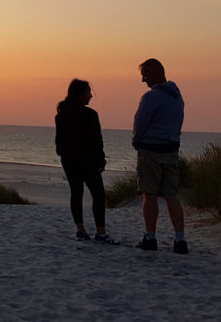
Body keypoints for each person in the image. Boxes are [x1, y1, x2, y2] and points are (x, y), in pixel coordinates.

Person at [132, 58, 188, 254]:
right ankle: (180, 239)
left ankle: (150, 237)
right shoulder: (177, 95)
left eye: (145, 76)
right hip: (171, 149)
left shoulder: (151, 98)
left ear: (156, 74)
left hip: (151, 150)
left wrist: (136, 141)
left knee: (150, 193)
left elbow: (140, 122)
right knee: (171, 195)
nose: (144, 81)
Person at [55, 79, 119, 244]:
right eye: (88, 92)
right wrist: (100, 161)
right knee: (98, 195)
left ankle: (80, 230)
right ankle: (100, 232)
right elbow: (96, 141)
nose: (91, 95)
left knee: (76, 193)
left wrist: (63, 153)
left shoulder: (61, 114)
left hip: (69, 160)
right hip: (87, 161)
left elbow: (59, 141)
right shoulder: (90, 115)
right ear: (80, 94)